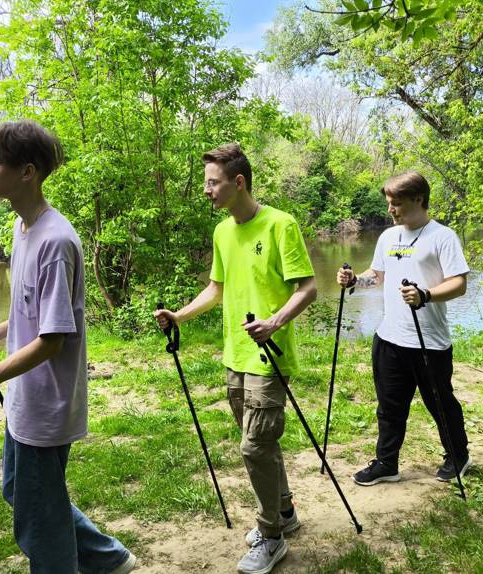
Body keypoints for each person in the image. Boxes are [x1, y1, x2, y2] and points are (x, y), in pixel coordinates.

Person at [0, 120, 136, 574]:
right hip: (24, 397)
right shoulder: (24, 230)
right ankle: (108, 559)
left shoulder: (55, 241)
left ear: (27, 171)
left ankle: (81, 562)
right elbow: (33, 315)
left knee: (38, 526)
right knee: (19, 491)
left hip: (47, 405)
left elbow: (52, 340)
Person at [154, 143, 316, 574]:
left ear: (238, 181)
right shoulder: (223, 232)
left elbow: (307, 289)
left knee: (254, 446)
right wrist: (179, 315)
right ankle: (284, 511)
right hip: (235, 354)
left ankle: (272, 535)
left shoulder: (281, 225)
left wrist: (274, 322)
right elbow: (217, 289)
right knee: (262, 445)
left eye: (213, 182)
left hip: (268, 354)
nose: (207, 190)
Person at [337, 171, 472, 487]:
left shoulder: (442, 237)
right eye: (388, 203)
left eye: (396, 203)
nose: (390, 210)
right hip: (389, 338)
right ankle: (387, 463)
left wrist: (426, 294)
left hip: (430, 342)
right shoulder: (387, 237)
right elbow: (378, 274)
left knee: (440, 404)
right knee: (388, 406)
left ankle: (458, 455)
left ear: (418, 199)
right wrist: (356, 280)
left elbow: (459, 284)